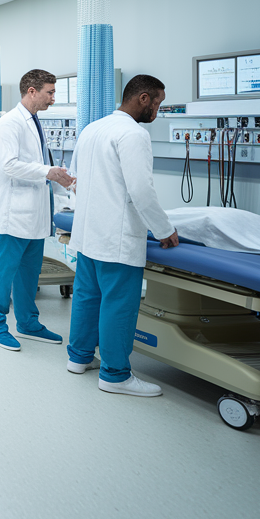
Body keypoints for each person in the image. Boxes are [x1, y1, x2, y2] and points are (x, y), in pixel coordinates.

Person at [68, 74, 178, 397]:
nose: (157, 110)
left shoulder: (93, 128)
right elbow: (141, 190)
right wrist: (164, 230)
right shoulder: (133, 134)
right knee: (119, 303)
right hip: (115, 237)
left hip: (88, 233)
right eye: (157, 102)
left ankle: (79, 357)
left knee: (87, 298)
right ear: (143, 99)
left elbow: (75, 178)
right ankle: (115, 374)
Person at [0, 70, 77, 352]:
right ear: (32, 91)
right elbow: (9, 164)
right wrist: (48, 171)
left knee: (28, 274)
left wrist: (59, 178)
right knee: (2, 273)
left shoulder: (34, 122)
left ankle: (28, 323)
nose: (53, 98)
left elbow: (38, 166)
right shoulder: (9, 123)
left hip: (35, 215)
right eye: (50, 92)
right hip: (13, 215)